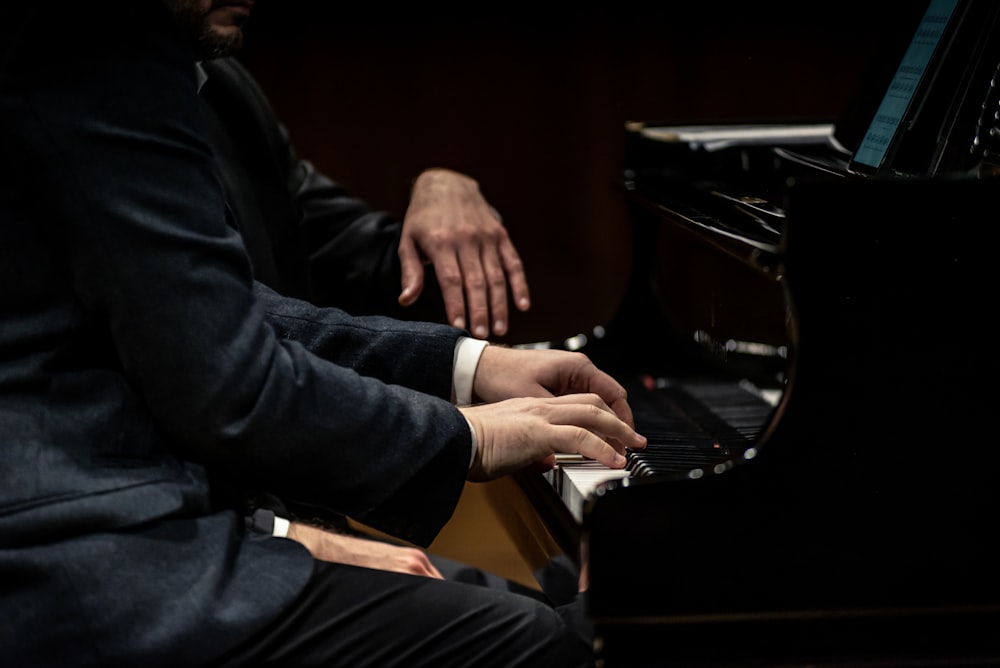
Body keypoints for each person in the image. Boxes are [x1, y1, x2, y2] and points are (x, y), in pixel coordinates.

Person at [0, 2, 646, 667]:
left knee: (559, 610)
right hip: (88, 568)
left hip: (133, 532)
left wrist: (470, 367)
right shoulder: (96, 42)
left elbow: (229, 310)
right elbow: (232, 385)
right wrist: (472, 435)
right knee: (557, 643)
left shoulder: (213, 85)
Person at [196, 26, 530, 340]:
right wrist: (463, 367)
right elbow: (242, 333)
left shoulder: (224, 86)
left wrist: (439, 197)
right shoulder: (154, 111)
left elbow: (348, 258)